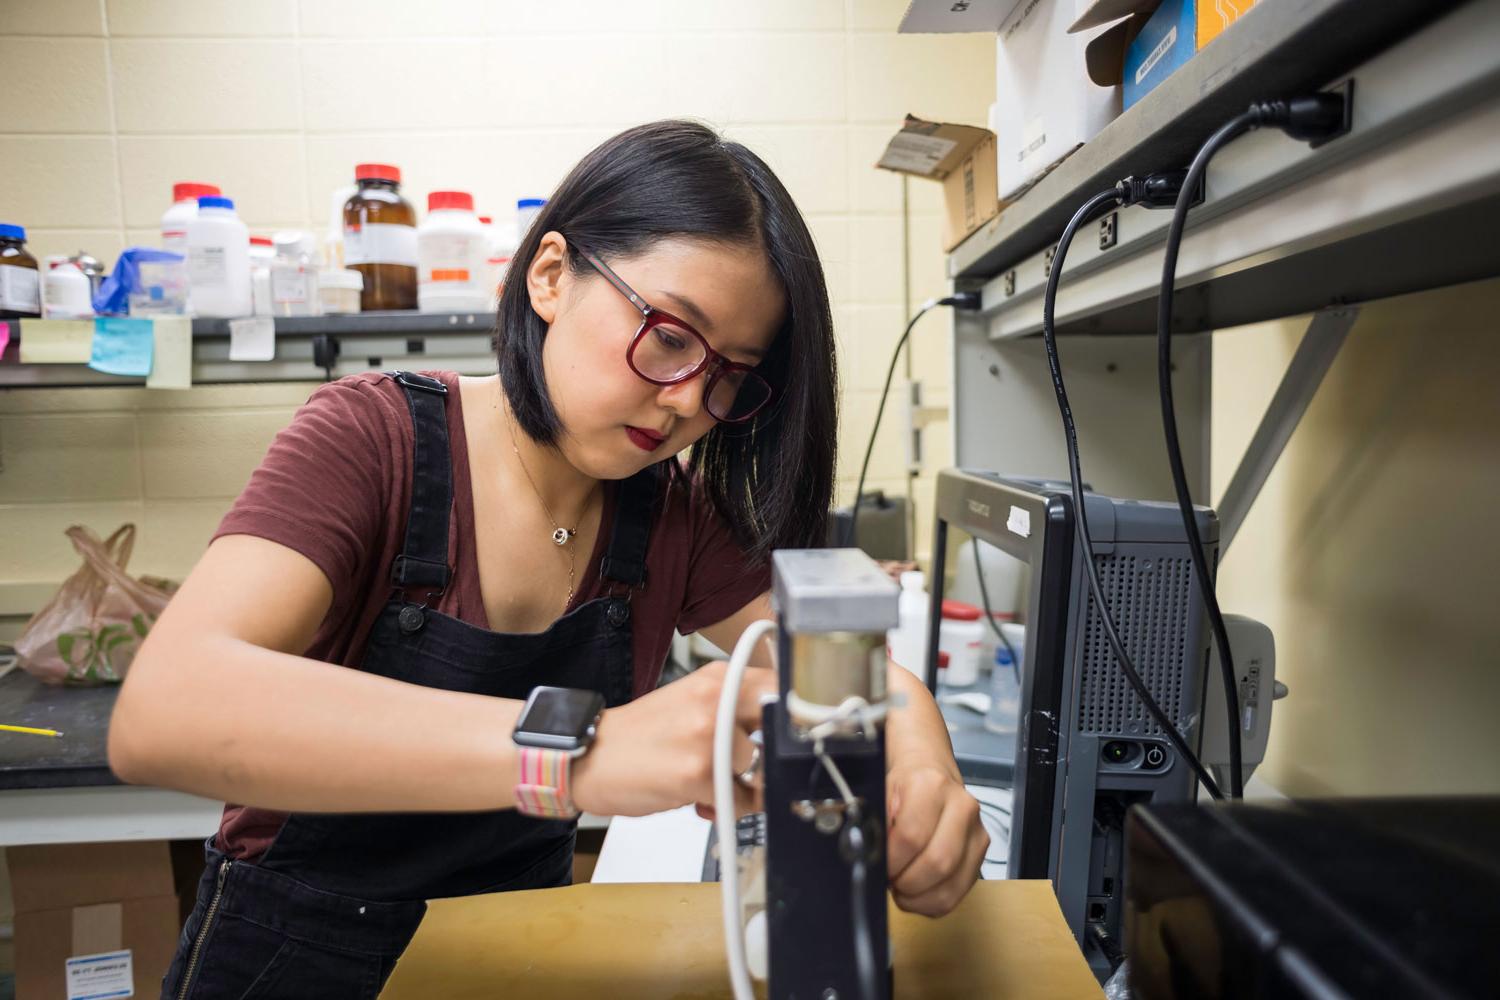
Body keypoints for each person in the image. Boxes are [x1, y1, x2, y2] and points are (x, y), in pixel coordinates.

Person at [109, 120, 987, 999]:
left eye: (729, 375)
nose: (686, 401)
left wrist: (924, 773)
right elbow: (165, 712)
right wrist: (580, 753)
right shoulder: (368, 439)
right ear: (553, 275)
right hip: (290, 960)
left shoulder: (672, 511)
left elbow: (849, 668)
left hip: (513, 955)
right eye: (671, 335)